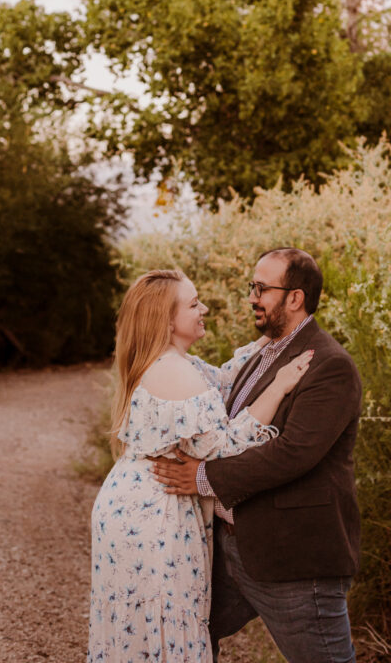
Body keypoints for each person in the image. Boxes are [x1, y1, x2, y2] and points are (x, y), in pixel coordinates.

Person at [87, 268, 313, 663]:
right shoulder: (173, 372)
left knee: (136, 632)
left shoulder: (173, 363)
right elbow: (224, 449)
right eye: (193, 304)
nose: (203, 308)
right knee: (164, 623)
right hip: (155, 515)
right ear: (167, 320)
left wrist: (276, 333)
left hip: (136, 503)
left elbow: (223, 380)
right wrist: (278, 387)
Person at [152, 248, 362, 663]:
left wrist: (203, 476)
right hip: (234, 547)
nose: (252, 296)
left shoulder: (330, 365)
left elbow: (292, 454)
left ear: (295, 298)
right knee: (183, 637)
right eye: (253, 286)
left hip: (294, 560)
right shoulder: (263, 352)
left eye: (262, 288)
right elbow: (233, 426)